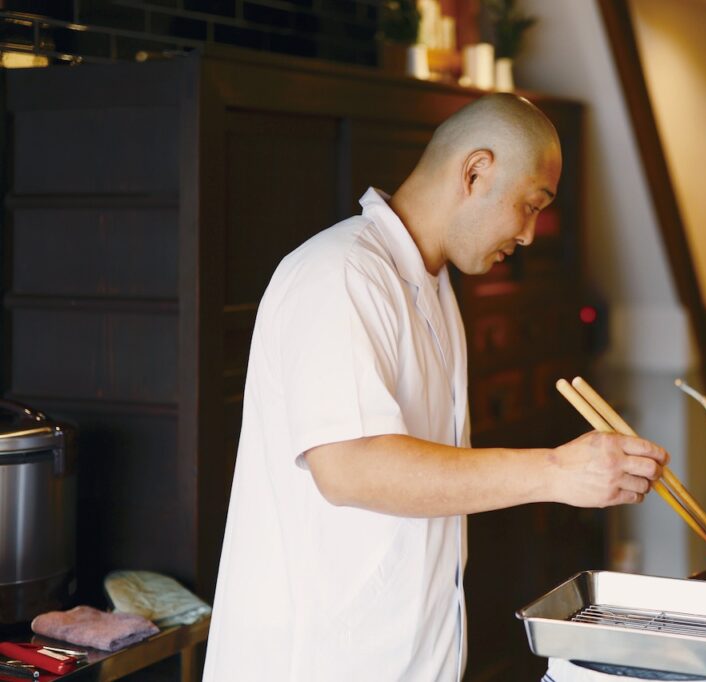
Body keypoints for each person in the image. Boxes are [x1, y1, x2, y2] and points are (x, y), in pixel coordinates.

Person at [202, 93, 669, 681]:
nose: (529, 234)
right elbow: (349, 468)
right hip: (318, 660)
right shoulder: (340, 272)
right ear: (475, 172)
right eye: (529, 205)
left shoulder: (435, 287)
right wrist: (556, 471)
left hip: (406, 657)